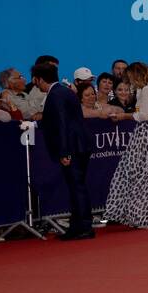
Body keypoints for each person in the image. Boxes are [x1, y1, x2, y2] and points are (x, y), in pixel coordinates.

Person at [102, 62, 148, 229]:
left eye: (130, 76)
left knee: (144, 173)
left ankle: (143, 215)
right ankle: (139, 213)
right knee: (140, 172)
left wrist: (124, 116)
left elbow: (144, 115)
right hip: (146, 131)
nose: (128, 80)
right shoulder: (144, 90)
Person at [31, 62, 93, 240]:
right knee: (77, 186)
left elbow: (62, 124)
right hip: (79, 145)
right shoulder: (63, 92)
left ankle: (83, 227)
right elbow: (56, 120)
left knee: (76, 187)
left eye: (35, 80)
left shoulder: (56, 95)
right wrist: (34, 124)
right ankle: (79, 226)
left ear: (40, 79)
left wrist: (64, 152)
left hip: (72, 147)